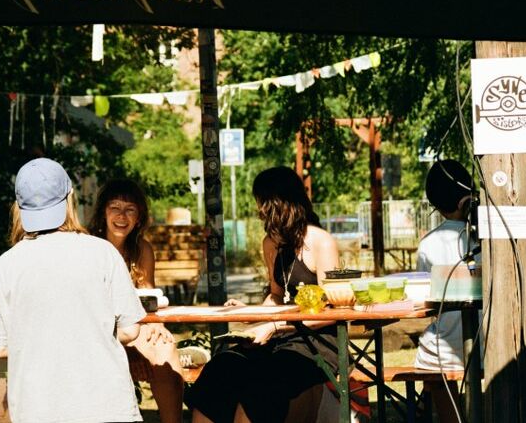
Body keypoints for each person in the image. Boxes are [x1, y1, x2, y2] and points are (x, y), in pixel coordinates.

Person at [0, 158, 145, 423]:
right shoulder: (103, 252)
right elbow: (130, 330)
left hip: (36, 410)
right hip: (107, 407)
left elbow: (0, 349)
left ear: (19, 207)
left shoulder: (6, 264)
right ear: (70, 199)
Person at [185, 166, 340, 423]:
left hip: (315, 343)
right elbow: (277, 296)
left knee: (261, 384)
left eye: (262, 202)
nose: (258, 210)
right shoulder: (271, 243)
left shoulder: (320, 241)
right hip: (280, 338)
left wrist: (276, 326)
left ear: (278, 203)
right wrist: (251, 314)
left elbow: (332, 311)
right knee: (220, 369)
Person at [88, 178, 207, 423]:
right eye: (115, 208)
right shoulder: (88, 246)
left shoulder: (142, 249)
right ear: (103, 212)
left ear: (139, 217)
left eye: (130, 209)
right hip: (93, 326)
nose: (122, 215)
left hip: (129, 325)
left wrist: (157, 325)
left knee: (164, 346)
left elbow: (148, 297)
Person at [414, 159, 480, 422]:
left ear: (437, 206)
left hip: (449, 347)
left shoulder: (429, 244)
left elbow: (425, 300)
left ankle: (448, 417)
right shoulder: (488, 236)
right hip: (491, 340)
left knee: (430, 352)